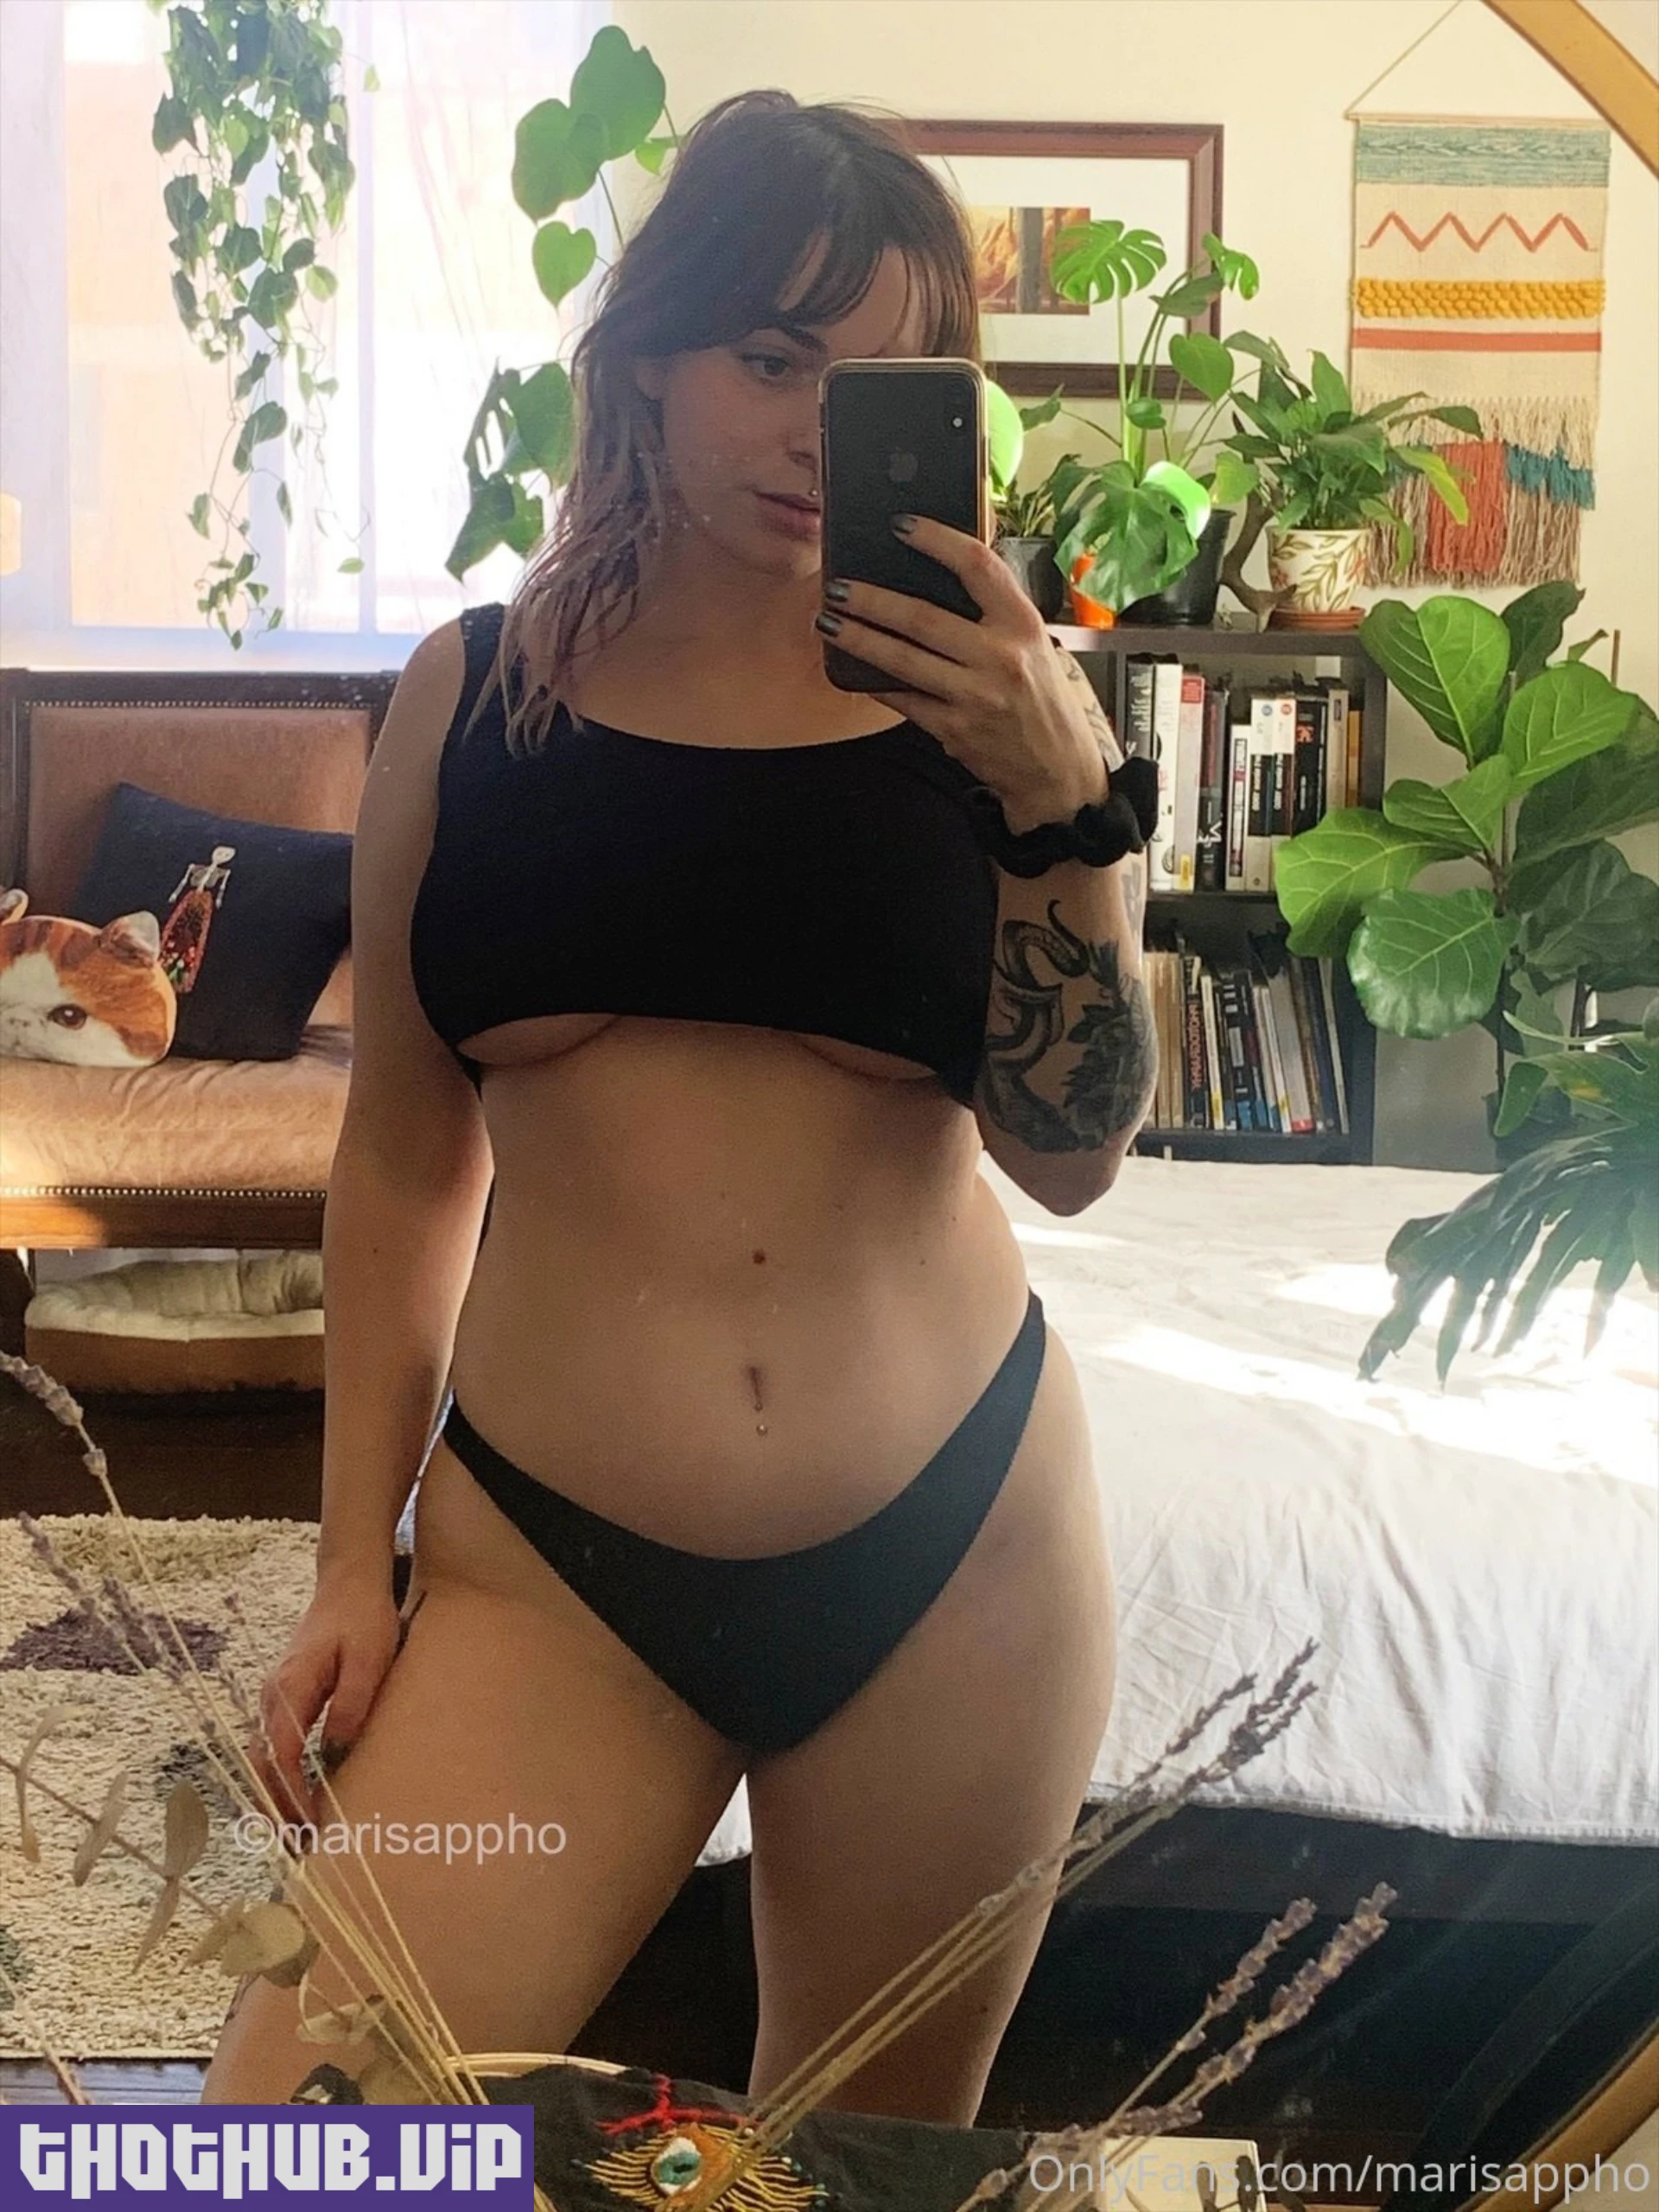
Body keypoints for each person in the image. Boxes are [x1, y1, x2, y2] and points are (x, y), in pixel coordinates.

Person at [203, 89, 1157, 2120]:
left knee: (860, 2166)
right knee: (292, 2136)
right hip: (552, 1571)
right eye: (773, 361)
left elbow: (1074, 1155)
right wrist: (351, 1560)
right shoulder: (479, 698)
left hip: (956, 1554)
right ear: (647, 357)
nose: (818, 432)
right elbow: (404, 1149)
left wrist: (1064, 811)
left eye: (879, 383)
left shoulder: (1017, 723)